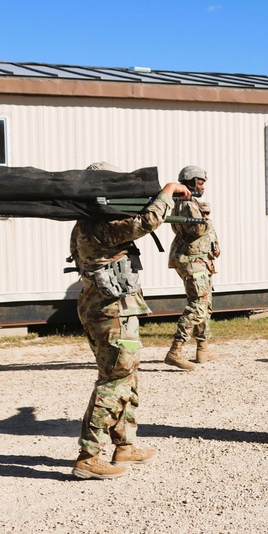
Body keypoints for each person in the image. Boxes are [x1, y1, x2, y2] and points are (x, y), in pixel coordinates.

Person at [70, 162, 191, 480]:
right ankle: (88, 455)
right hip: (111, 314)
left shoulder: (87, 222)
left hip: (110, 309)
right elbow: (146, 221)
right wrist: (167, 191)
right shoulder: (100, 225)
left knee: (127, 377)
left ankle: (124, 445)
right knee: (115, 379)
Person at [164, 166, 218, 371]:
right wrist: (205, 214)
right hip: (192, 260)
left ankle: (202, 348)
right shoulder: (187, 203)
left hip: (200, 258)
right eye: (200, 182)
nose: (203, 186)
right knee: (197, 306)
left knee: (205, 304)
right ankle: (175, 351)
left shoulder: (187, 201)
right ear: (191, 182)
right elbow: (196, 229)